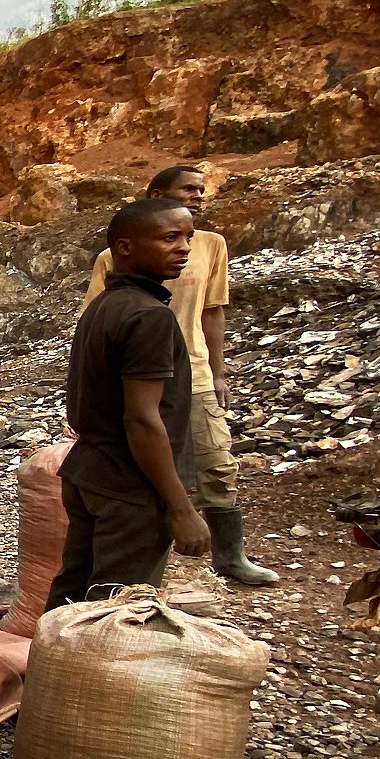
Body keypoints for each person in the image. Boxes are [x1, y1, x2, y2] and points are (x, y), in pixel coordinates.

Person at [83, 165, 277, 585]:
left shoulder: (211, 246)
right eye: (188, 189)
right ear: (156, 195)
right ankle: (151, 554)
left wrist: (218, 371)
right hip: (142, 373)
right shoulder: (126, 274)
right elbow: (98, 319)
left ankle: (229, 555)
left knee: (216, 463)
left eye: (201, 191)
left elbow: (213, 311)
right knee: (142, 460)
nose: (197, 197)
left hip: (194, 372)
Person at [49, 198, 213, 609]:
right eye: (169, 238)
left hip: (90, 473)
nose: (184, 248)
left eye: (188, 237)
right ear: (125, 247)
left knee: (72, 597)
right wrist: (181, 508)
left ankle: (45, 653)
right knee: (115, 609)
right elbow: (142, 419)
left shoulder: (105, 305)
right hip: (130, 486)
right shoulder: (149, 317)